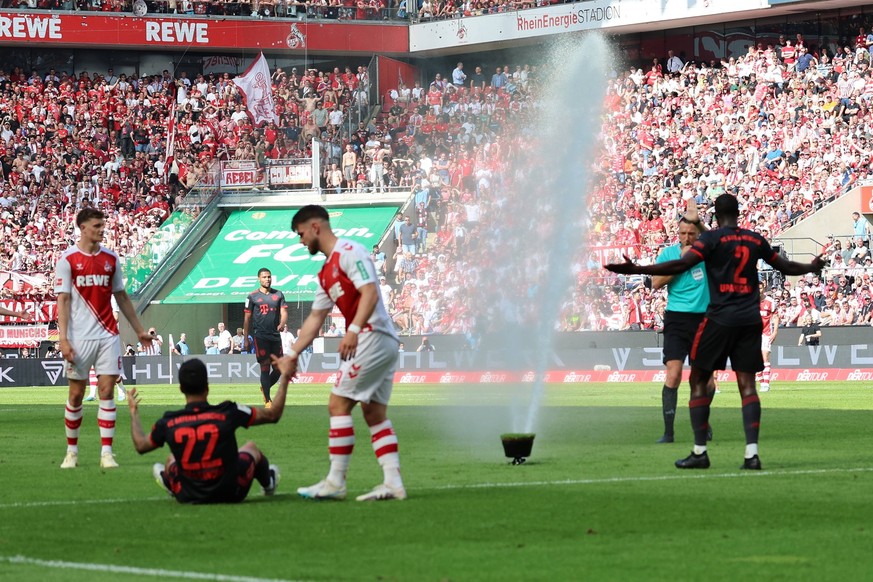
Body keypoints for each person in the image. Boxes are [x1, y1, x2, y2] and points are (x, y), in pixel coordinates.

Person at [606, 194, 826, 471]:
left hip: (719, 319)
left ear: (715, 215)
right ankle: (752, 455)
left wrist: (637, 269)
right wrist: (812, 267)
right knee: (747, 386)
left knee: (698, 380)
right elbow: (785, 266)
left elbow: (680, 265)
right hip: (748, 321)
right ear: (738, 212)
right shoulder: (755, 239)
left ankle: (700, 452)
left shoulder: (711, 241)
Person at [279, 205, 405, 501]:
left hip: (371, 337)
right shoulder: (325, 273)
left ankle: (336, 482)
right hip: (378, 339)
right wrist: (292, 352)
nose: (300, 242)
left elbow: (370, 292)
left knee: (338, 405)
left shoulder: (351, 251)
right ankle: (393, 483)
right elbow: (314, 318)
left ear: (315, 227)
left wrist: (353, 330)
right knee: (374, 413)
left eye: (300, 234)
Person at [55, 208, 153, 470]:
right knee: (76, 395)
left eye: (103, 225)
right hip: (78, 337)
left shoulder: (111, 258)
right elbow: (62, 300)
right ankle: (71, 452)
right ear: (83, 228)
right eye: (97, 225)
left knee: (107, 390)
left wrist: (139, 329)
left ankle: (107, 453)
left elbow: (121, 296)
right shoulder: (67, 260)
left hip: (108, 334)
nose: (102, 229)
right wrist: (63, 338)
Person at [127, 358, 288, 504]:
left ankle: (170, 482)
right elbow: (273, 415)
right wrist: (285, 378)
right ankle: (269, 484)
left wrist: (134, 413)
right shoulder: (228, 411)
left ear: (181, 388)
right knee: (251, 448)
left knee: (171, 459)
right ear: (207, 386)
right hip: (231, 493)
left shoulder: (168, 421)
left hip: (187, 494)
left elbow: (141, 445)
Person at [651, 202, 716, 444]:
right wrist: (681, 262)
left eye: (691, 234)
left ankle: (703, 421)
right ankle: (668, 432)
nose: (687, 238)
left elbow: (714, 238)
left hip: (704, 319)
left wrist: (698, 220)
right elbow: (656, 283)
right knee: (674, 375)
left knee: (706, 380)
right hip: (677, 319)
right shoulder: (668, 254)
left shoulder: (708, 253)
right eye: (683, 234)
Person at [243, 268, 288, 408]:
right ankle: (268, 400)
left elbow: (284, 312)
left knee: (279, 368)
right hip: (260, 336)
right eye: (264, 277)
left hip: (275, 336)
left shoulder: (278, 294)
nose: (267, 279)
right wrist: (245, 338)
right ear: (259, 279)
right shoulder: (252, 296)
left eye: (269, 276)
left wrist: (282, 323)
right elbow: (247, 318)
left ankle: (265, 386)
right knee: (265, 366)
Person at [758, 282, 779, 393]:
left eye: (760, 288)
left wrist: (775, 332)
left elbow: (776, 317)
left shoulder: (770, 301)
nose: (758, 290)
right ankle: (762, 383)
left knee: (765, 355)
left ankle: (766, 384)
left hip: (766, 332)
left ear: (764, 288)